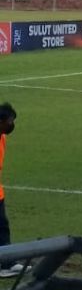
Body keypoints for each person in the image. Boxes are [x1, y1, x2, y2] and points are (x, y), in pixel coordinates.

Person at [0, 103, 22, 278]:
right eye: (9, 121)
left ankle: (7, 263)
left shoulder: (2, 137)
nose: (12, 125)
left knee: (2, 227)